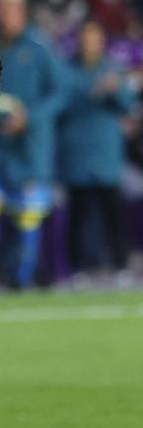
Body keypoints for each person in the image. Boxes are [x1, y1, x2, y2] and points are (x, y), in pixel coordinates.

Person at [0, 0, 63, 289]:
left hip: (29, 150)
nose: (1, 15)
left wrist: (30, 118)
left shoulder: (39, 48)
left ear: (21, 12)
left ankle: (23, 276)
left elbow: (61, 93)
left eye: (7, 9)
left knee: (28, 218)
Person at [58, 20, 134, 280]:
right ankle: (79, 267)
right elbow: (62, 103)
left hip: (106, 154)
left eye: (95, 39)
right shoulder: (66, 70)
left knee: (112, 213)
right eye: (86, 39)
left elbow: (128, 105)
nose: (90, 45)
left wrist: (117, 90)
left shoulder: (112, 70)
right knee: (79, 215)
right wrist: (94, 92)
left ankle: (120, 265)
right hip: (77, 153)